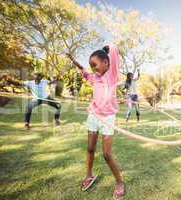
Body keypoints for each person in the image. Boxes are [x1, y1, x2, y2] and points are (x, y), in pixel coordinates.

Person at [67, 44, 125, 199]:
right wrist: (73, 60)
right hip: (93, 116)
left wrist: (109, 47)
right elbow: (84, 72)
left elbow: (114, 51)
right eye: (91, 66)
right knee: (90, 149)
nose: (93, 69)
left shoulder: (111, 75)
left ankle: (120, 183)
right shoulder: (95, 77)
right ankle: (89, 175)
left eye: (95, 65)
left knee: (106, 154)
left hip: (107, 118)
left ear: (106, 63)